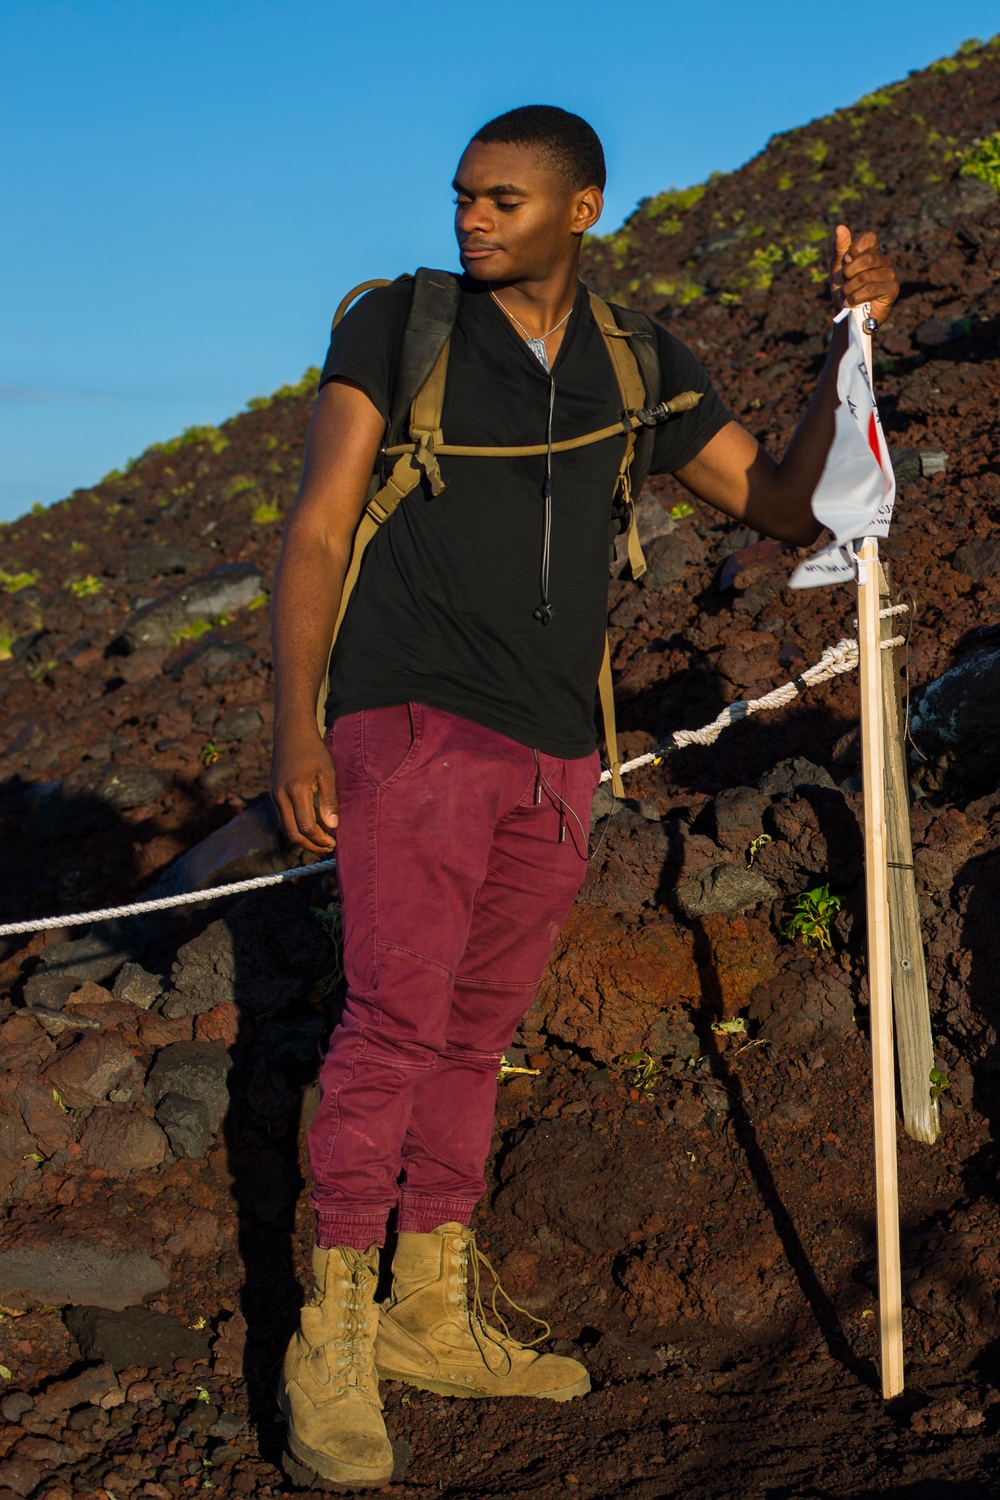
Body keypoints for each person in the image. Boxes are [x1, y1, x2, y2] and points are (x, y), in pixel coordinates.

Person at [269, 104, 900, 1489]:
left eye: (501, 201)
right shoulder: (399, 325)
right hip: (410, 720)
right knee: (391, 1018)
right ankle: (332, 1332)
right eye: (462, 198)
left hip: (558, 749)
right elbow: (317, 524)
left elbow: (785, 507)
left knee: (473, 1028)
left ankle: (432, 1308)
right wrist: (297, 735)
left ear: (584, 209)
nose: (470, 220)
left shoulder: (635, 361)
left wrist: (844, 348)